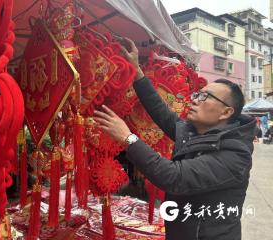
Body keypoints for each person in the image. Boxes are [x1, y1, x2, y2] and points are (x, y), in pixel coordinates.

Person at [93, 38, 257, 240]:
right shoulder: (196, 133)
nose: (194, 100)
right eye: (197, 95)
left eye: (205, 97)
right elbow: (162, 113)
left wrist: (128, 138)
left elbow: (173, 177)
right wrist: (137, 72)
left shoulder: (235, 154)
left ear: (225, 112)